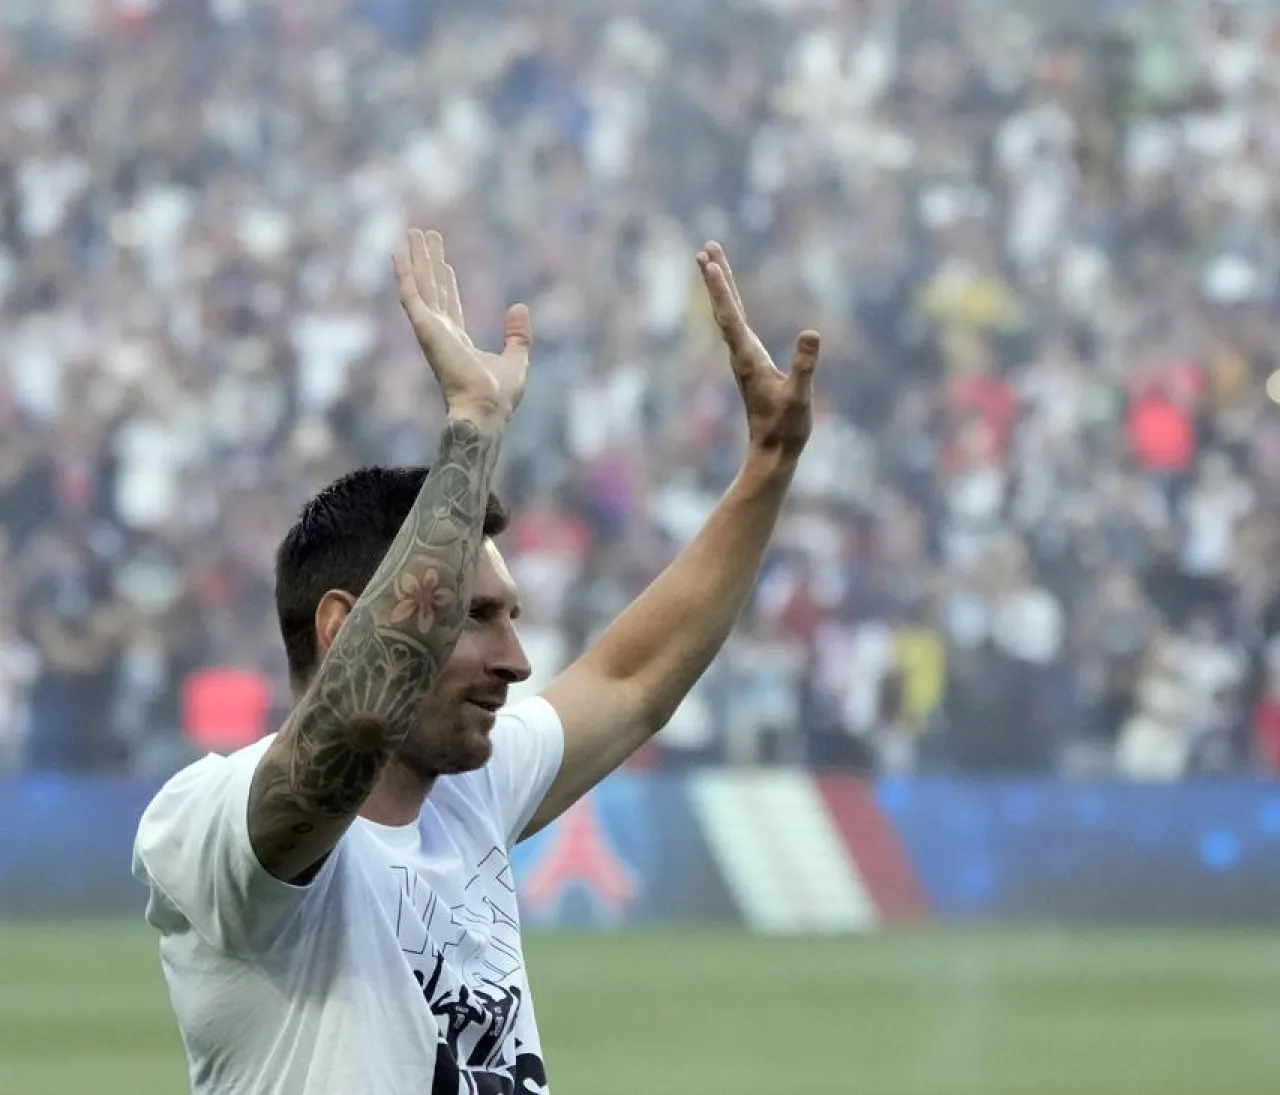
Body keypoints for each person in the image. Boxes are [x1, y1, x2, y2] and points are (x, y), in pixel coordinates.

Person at [131, 229, 822, 1095]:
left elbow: (631, 679)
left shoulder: (467, 795)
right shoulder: (214, 827)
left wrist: (767, 465)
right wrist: (474, 429)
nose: (518, 660)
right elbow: (358, 718)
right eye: (474, 620)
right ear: (343, 626)